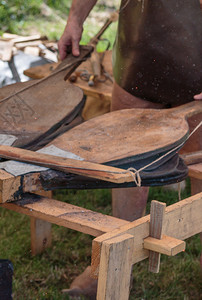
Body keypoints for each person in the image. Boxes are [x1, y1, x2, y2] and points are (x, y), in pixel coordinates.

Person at [57, 0, 202, 297]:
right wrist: (75, 20)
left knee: (201, 170)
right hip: (139, 53)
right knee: (127, 165)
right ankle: (110, 267)